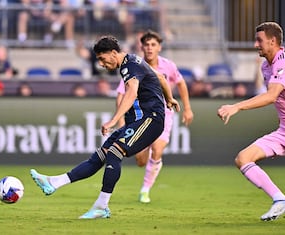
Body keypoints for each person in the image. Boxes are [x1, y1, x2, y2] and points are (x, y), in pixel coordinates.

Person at [30, 35, 180, 219]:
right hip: (139, 121)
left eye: (102, 58)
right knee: (100, 156)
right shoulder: (133, 61)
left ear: (113, 53)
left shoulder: (129, 65)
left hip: (151, 119)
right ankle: (54, 182)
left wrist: (114, 120)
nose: (101, 64)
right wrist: (170, 98)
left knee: (115, 153)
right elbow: (160, 77)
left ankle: (102, 206)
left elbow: (132, 92)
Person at [217, 22, 285, 221]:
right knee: (243, 158)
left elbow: (271, 96)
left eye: (259, 40)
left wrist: (236, 107)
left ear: (273, 41)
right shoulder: (265, 67)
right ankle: (280, 200)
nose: (255, 45)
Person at [116, 30, 193, 203]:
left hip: (164, 114)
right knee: (140, 160)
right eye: (147, 45)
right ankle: (146, 161)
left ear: (159, 47)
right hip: (141, 116)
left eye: (153, 45)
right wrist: (121, 121)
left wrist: (187, 108)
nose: (150, 48)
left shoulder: (169, 66)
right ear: (142, 47)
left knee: (157, 150)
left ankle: (145, 190)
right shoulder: (134, 65)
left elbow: (180, 83)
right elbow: (121, 94)